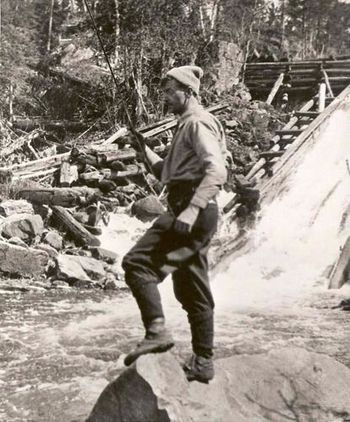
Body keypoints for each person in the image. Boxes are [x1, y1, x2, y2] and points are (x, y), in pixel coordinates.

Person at [122, 65, 227, 383]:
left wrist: (191, 210)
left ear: (189, 91)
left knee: (137, 263)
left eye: (170, 91)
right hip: (191, 208)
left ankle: (156, 332)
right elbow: (166, 173)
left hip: (192, 209)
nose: (166, 97)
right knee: (189, 286)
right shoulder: (188, 124)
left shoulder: (196, 123)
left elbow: (217, 172)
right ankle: (203, 361)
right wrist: (143, 150)